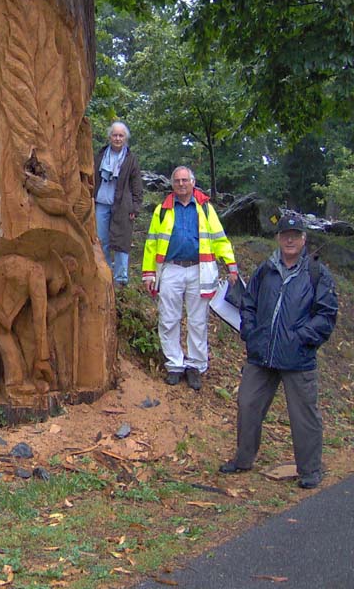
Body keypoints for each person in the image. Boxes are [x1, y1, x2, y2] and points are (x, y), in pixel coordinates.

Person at [219, 215, 337, 489]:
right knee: (247, 405)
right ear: (278, 238)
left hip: (298, 358)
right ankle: (243, 459)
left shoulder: (317, 273)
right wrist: (251, 332)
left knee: (304, 415)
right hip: (261, 354)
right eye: (285, 234)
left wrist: (300, 338)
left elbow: (326, 315)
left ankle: (310, 470)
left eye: (295, 235)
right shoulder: (266, 269)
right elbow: (248, 303)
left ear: (304, 239)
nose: (290, 240)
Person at [142, 166, 237, 390]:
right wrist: (149, 273)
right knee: (168, 318)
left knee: (198, 321)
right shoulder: (162, 210)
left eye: (185, 180)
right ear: (172, 184)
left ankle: (195, 365)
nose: (181, 184)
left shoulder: (205, 208)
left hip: (198, 269)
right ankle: (174, 364)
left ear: (193, 182)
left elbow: (219, 238)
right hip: (171, 269)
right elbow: (151, 243)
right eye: (177, 180)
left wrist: (231, 264)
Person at [93, 122, 143, 285]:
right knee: (101, 240)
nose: (117, 138)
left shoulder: (130, 159)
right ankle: (105, 273)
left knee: (122, 241)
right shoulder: (100, 155)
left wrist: (135, 206)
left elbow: (136, 184)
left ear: (125, 138)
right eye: (115, 135)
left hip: (122, 205)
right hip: (101, 203)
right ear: (110, 137)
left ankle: (121, 278)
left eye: (121, 135)